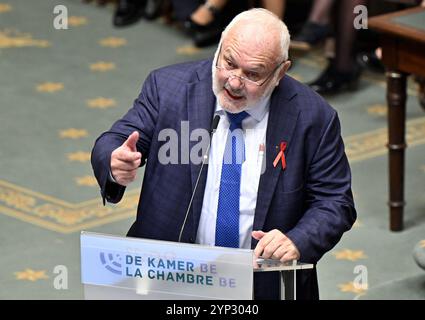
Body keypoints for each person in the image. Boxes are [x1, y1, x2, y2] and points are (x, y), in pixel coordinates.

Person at [91, 8, 356, 300]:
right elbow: (115, 140)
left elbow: (335, 201)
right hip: (168, 277)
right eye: (229, 63)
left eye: (252, 74)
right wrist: (115, 160)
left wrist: (297, 240)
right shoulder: (169, 88)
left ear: (280, 72)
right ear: (219, 46)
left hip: (262, 285)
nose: (233, 82)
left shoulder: (313, 117)